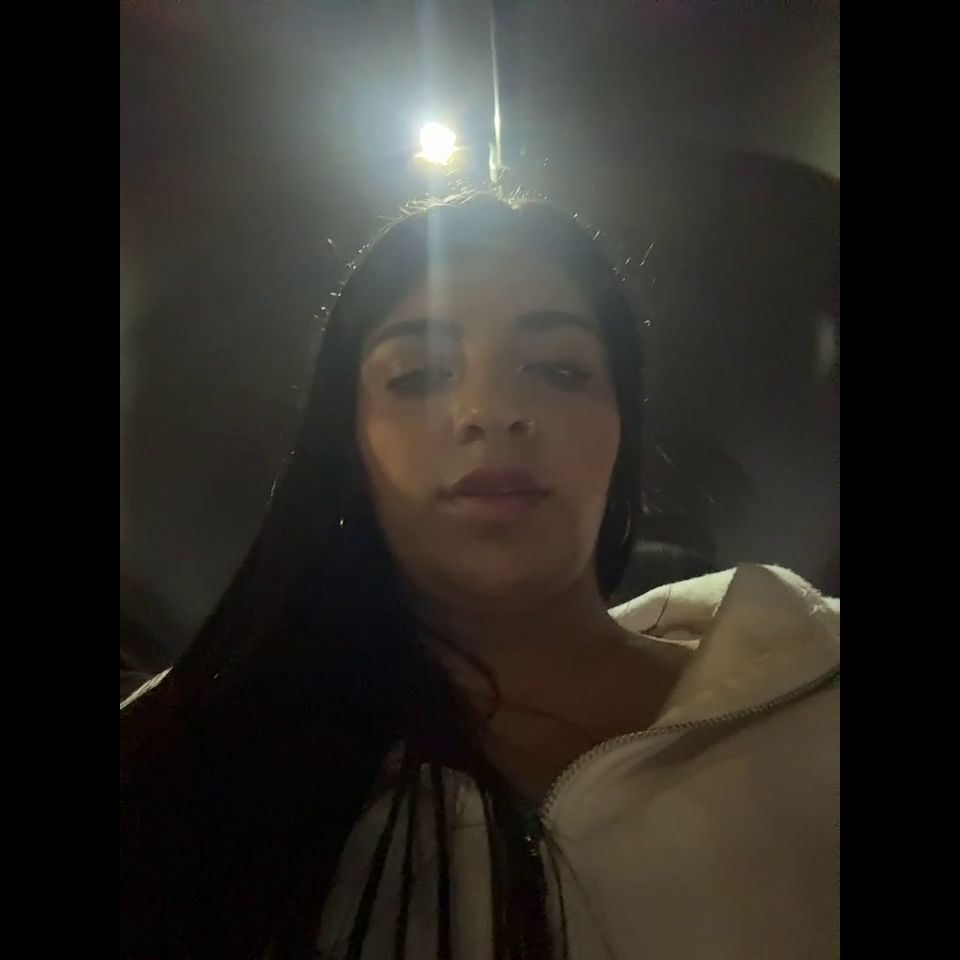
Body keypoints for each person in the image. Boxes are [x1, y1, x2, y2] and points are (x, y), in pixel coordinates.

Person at [120, 192, 839, 960]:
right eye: (418, 376)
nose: (491, 411)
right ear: (349, 441)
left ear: (620, 427)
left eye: (559, 369)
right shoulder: (185, 750)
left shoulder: (813, 692)